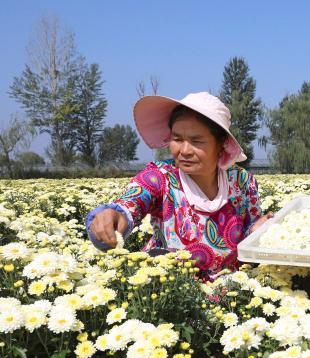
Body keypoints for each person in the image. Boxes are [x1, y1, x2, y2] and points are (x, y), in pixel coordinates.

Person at [85, 92, 272, 277]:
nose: (184, 151)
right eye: (177, 139)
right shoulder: (160, 177)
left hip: (229, 293)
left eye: (196, 141)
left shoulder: (242, 182)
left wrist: (258, 232)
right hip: (169, 291)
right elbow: (129, 205)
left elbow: (248, 237)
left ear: (221, 143)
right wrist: (114, 217)